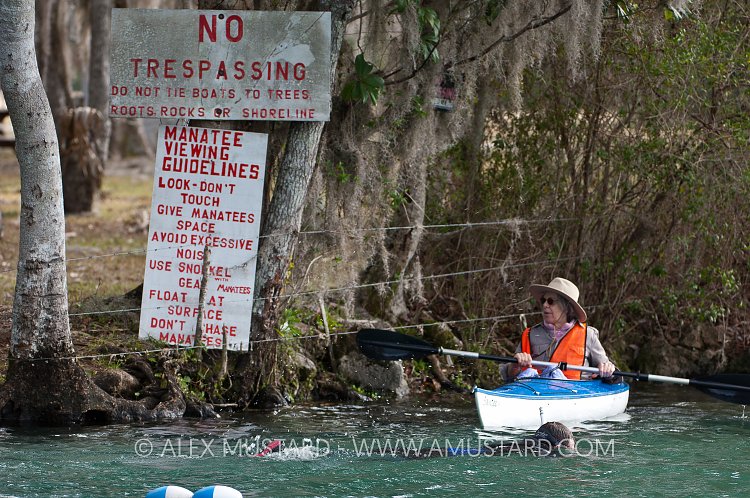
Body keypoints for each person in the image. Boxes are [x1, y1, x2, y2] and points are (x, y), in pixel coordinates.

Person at [502, 277, 617, 381]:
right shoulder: (530, 334)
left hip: (576, 396)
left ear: (566, 307)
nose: (545, 305)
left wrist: (607, 369)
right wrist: (515, 365)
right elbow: (509, 375)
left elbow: (607, 369)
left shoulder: (589, 335)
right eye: (543, 301)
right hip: (535, 393)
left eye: (551, 301)